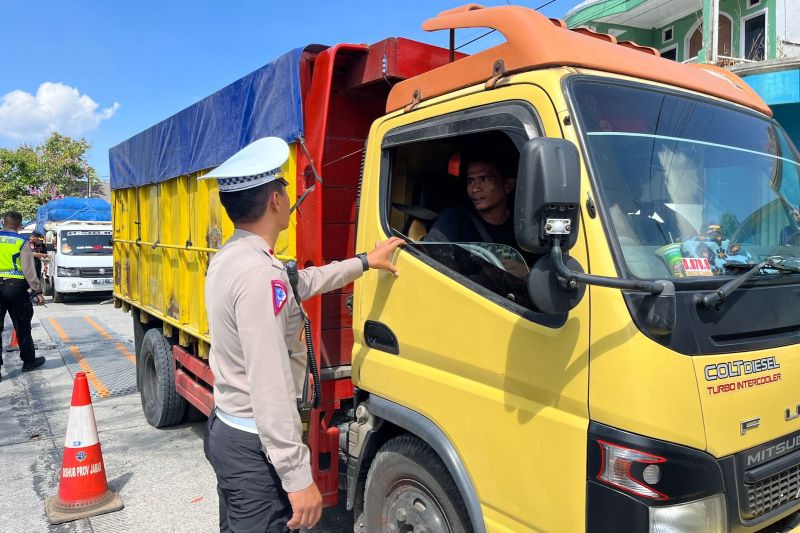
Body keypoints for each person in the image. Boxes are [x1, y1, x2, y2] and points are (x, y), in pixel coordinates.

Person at [201, 137, 404, 533]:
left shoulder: (233, 256)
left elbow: (302, 281)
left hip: (229, 430)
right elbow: (269, 383)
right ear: (276, 201)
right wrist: (297, 478)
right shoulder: (260, 274)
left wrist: (364, 262)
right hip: (253, 447)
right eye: (285, 189)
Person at [424, 155, 517, 248]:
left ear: (508, 186)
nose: (475, 189)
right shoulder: (454, 219)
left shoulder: (521, 224)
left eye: (483, 179)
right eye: (470, 182)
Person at [0, 211, 46, 381]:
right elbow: (28, 269)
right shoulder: (21, 241)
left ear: (3, 222)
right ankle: (28, 362)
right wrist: (37, 291)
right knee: (22, 326)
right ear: (19, 225)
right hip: (16, 288)